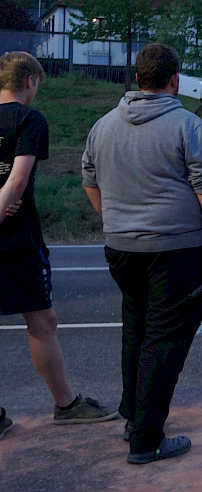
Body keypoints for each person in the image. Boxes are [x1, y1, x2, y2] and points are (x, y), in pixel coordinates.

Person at [82, 44, 202, 464]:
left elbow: (90, 181)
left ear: (138, 80)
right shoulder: (188, 126)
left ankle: (133, 417)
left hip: (122, 249)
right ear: (175, 81)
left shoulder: (102, 126)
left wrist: (115, 220)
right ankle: (147, 439)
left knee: (136, 326)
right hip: (176, 251)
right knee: (165, 338)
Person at [0, 52, 117, 440]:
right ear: (30, 81)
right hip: (17, 240)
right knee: (42, 321)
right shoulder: (29, 119)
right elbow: (16, 182)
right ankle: (66, 404)